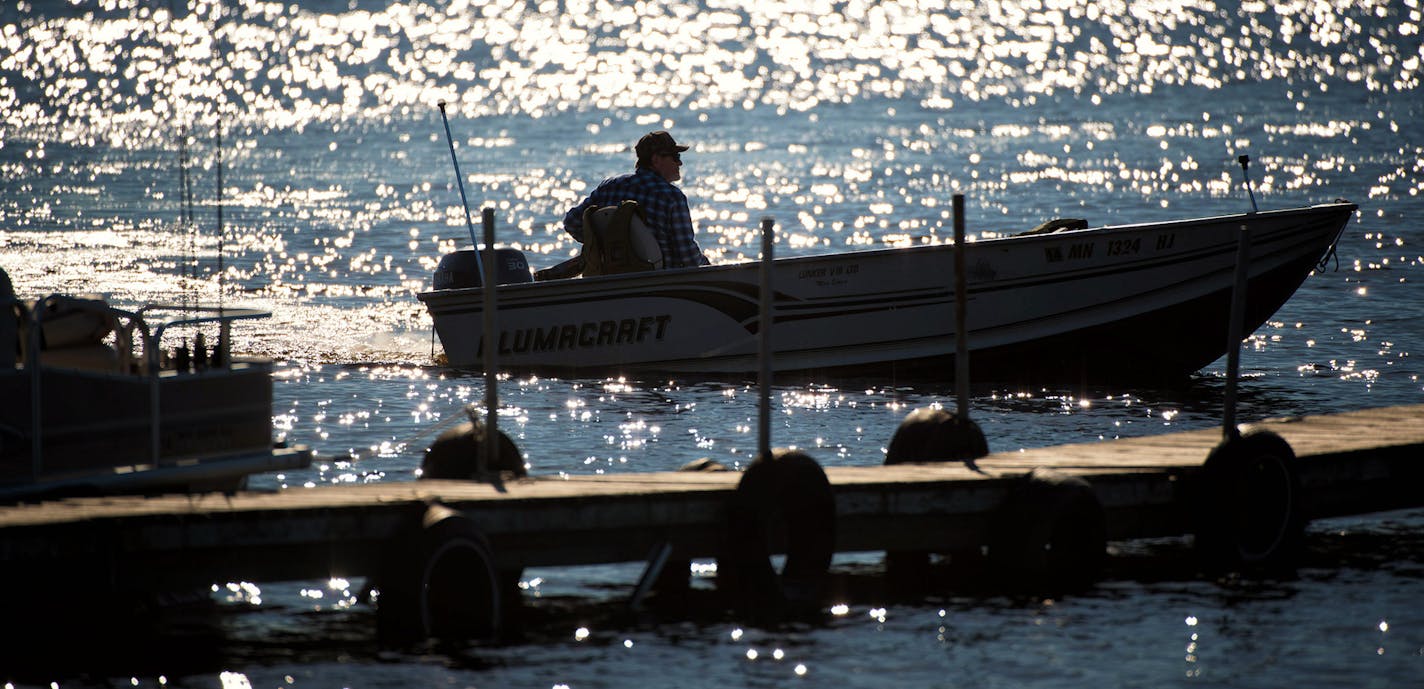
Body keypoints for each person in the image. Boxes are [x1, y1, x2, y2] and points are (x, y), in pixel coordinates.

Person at [563, 130, 710, 269]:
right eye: (675, 157)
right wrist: (710, 266)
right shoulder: (672, 197)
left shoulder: (609, 187)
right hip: (660, 282)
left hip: (610, 279)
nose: (680, 163)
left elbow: (571, 222)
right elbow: (689, 258)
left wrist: (603, 246)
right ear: (656, 160)